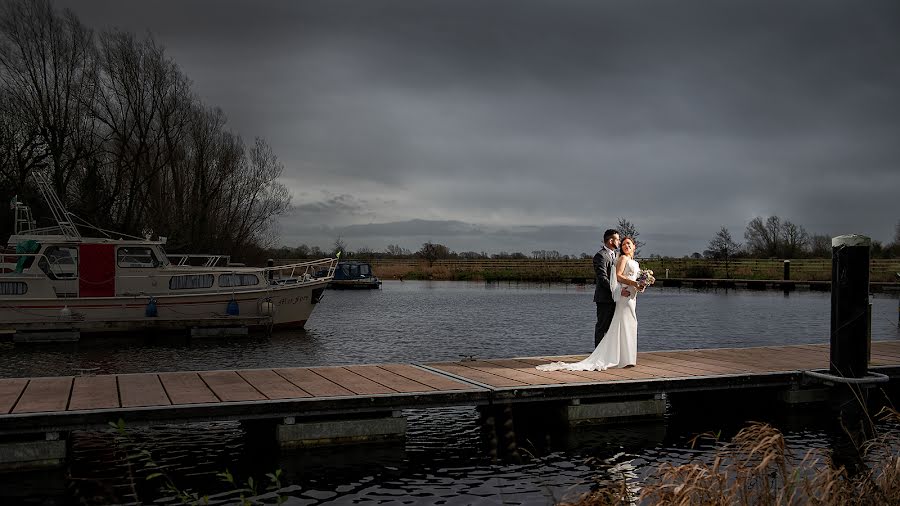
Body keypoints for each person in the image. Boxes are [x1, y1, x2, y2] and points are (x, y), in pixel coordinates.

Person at [538, 237, 644, 371]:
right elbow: (618, 276)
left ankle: (626, 358)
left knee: (630, 324)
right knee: (625, 323)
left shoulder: (635, 262)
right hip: (624, 295)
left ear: (634, 246)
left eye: (628, 243)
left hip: (632, 296)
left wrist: (642, 285)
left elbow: (637, 278)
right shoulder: (623, 259)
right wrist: (634, 284)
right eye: (623, 244)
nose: (625, 246)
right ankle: (621, 358)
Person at [592, 229, 620, 347]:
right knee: (602, 326)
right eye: (617, 239)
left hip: (616, 298)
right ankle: (598, 354)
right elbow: (602, 277)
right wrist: (616, 290)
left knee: (612, 327)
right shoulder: (600, 256)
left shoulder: (617, 255)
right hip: (604, 298)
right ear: (610, 240)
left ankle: (609, 353)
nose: (619, 242)